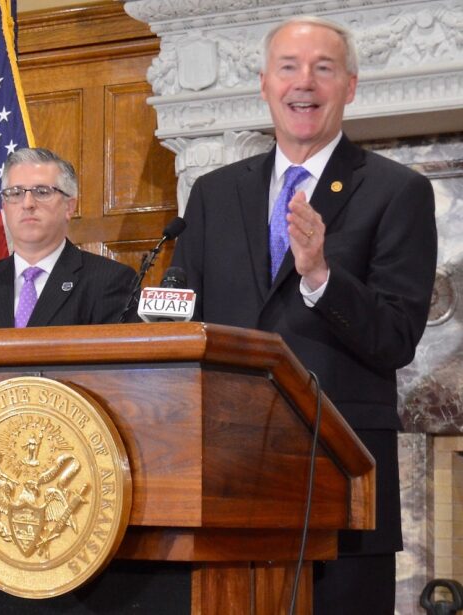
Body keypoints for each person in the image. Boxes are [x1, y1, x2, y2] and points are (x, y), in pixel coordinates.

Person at [171, 16, 437, 614]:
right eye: (289, 67)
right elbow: (185, 318)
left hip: (340, 480)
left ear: (350, 87)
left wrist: (320, 274)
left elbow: (397, 337)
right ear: (264, 83)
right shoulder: (214, 193)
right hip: (228, 479)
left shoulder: (397, 191)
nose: (305, 83)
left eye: (324, 68)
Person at [0, 147, 137, 329]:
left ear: (69, 207)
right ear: (4, 206)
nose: (27, 203)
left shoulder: (110, 281)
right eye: (15, 193)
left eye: (42, 192)